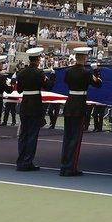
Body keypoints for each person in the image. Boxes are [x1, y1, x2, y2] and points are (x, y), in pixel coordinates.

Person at [60, 47, 101, 176]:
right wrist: (96, 71)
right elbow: (98, 84)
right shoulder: (86, 72)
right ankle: (70, 167)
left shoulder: (68, 71)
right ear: (84, 58)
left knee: (67, 137)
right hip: (79, 104)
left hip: (70, 102)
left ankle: (64, 165)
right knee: (75, 138)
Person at [15, 47, 55, 171]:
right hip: (35, 105)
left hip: (25, 104)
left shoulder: (21, 72)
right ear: (37, 59)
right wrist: (53, 77)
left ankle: (20, 161)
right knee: (32, 135)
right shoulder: (39, 73)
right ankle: (28, 162)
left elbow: (19, 90)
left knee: (23, 135)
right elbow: (48, 87)